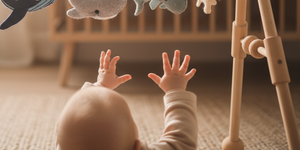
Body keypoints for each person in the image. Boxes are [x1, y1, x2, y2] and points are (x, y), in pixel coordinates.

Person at [55, 49, 197, 150]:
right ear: (136, 146)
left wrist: (100, 86)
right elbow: (180, 141)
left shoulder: (66, 146)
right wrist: (175, 91)